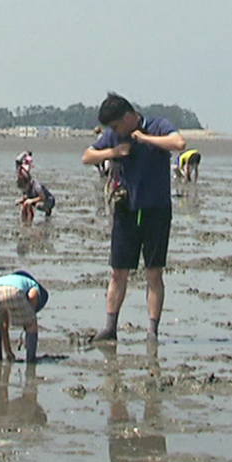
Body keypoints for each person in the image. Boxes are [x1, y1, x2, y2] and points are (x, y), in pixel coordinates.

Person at [81, 93, 185, 342]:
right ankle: (110, 326)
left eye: (116, 126)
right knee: (118, 272)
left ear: (129, 117)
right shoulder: (114, 137)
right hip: (126, 210)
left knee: (153, 273)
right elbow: (87, 156)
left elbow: (179, 143)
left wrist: (146, 139)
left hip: (156, 211)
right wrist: (114, 151)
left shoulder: (158, 126)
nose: (114, 130)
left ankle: (152, 331)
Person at [0, 270, 49, 363]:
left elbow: (4, 325)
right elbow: (32, 296)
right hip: (13, 290)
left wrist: (8, 350)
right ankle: (31, 360)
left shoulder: (12, 279)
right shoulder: (34, 284)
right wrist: (30, 316)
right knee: (31, 323)